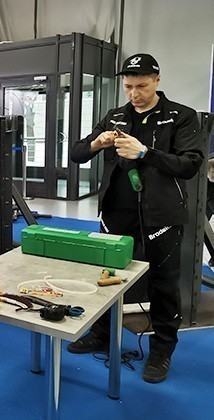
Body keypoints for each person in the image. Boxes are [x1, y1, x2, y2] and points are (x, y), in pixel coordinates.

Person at [69, 53, 203, 383]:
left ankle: (161, 351)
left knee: (163, 284)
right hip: (116, 213)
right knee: (106, 277)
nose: (134, 93)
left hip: (162, 215)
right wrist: (96, 143)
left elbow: (190, 164)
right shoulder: (115, 116)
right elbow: (76, 154)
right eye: (128, 86)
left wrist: (146, 153)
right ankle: (101, 333)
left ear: (157, 80)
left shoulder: (181, 116)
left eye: (141, 86)